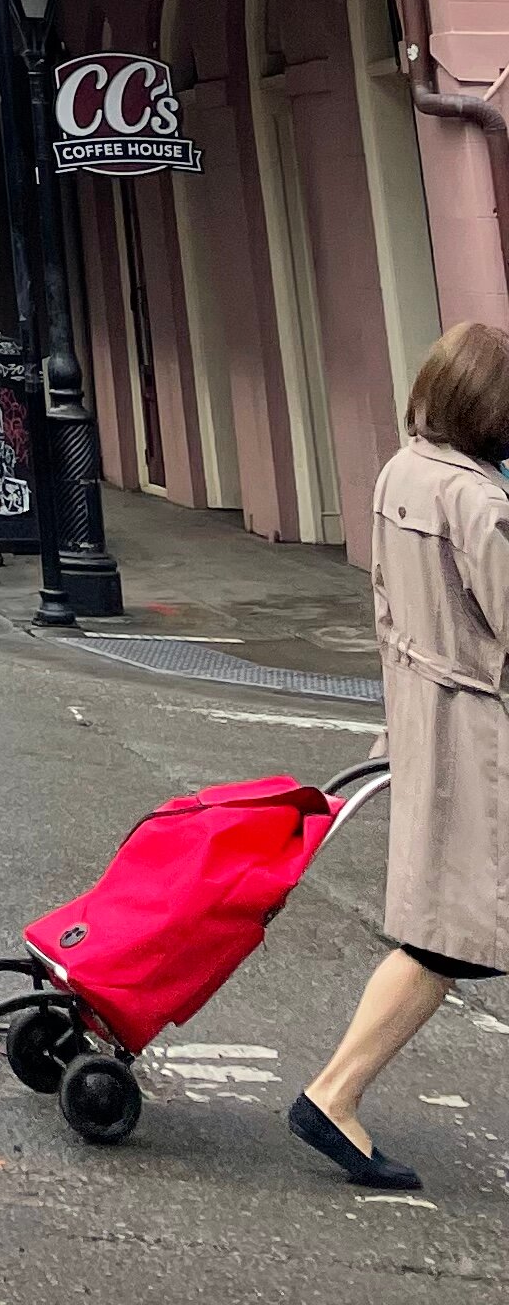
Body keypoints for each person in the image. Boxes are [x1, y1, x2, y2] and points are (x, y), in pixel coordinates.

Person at [293, 319, 509, 1190]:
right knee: (447, 938)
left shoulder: (401, 473)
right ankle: (333, 1093)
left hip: (429, 720)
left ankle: (333, 1094)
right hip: (479, 737)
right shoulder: (479, 501)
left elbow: (386, 610)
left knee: (446, 932)